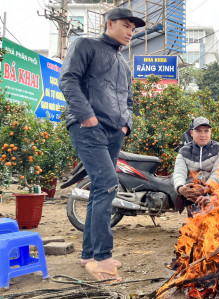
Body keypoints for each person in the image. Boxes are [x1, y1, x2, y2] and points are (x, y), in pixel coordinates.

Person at [59, 8, 145, 282]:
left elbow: (129, 101)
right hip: (88, 128)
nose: (131, 31)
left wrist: (125, 126)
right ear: (110, 24)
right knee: (108, 184)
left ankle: (89, 254)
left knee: (100, 188)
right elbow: (68, 79)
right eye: (126, 25)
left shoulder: (124, 63)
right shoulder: (85, 45)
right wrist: (87, 117)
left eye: (134, 28)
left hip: (114, 132)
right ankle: (102, 257)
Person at [173, 117, 219, 217]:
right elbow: (179, 172)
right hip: (193, 193)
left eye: (206, 131)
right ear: (192, 133)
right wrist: (181, 188)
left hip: (213, 192)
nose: (203, 135)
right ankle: (195, 220)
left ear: (210, 132)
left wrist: (206, 188)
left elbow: (218, 172)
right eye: (198, 131)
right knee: (196, 226)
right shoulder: (184, 151)